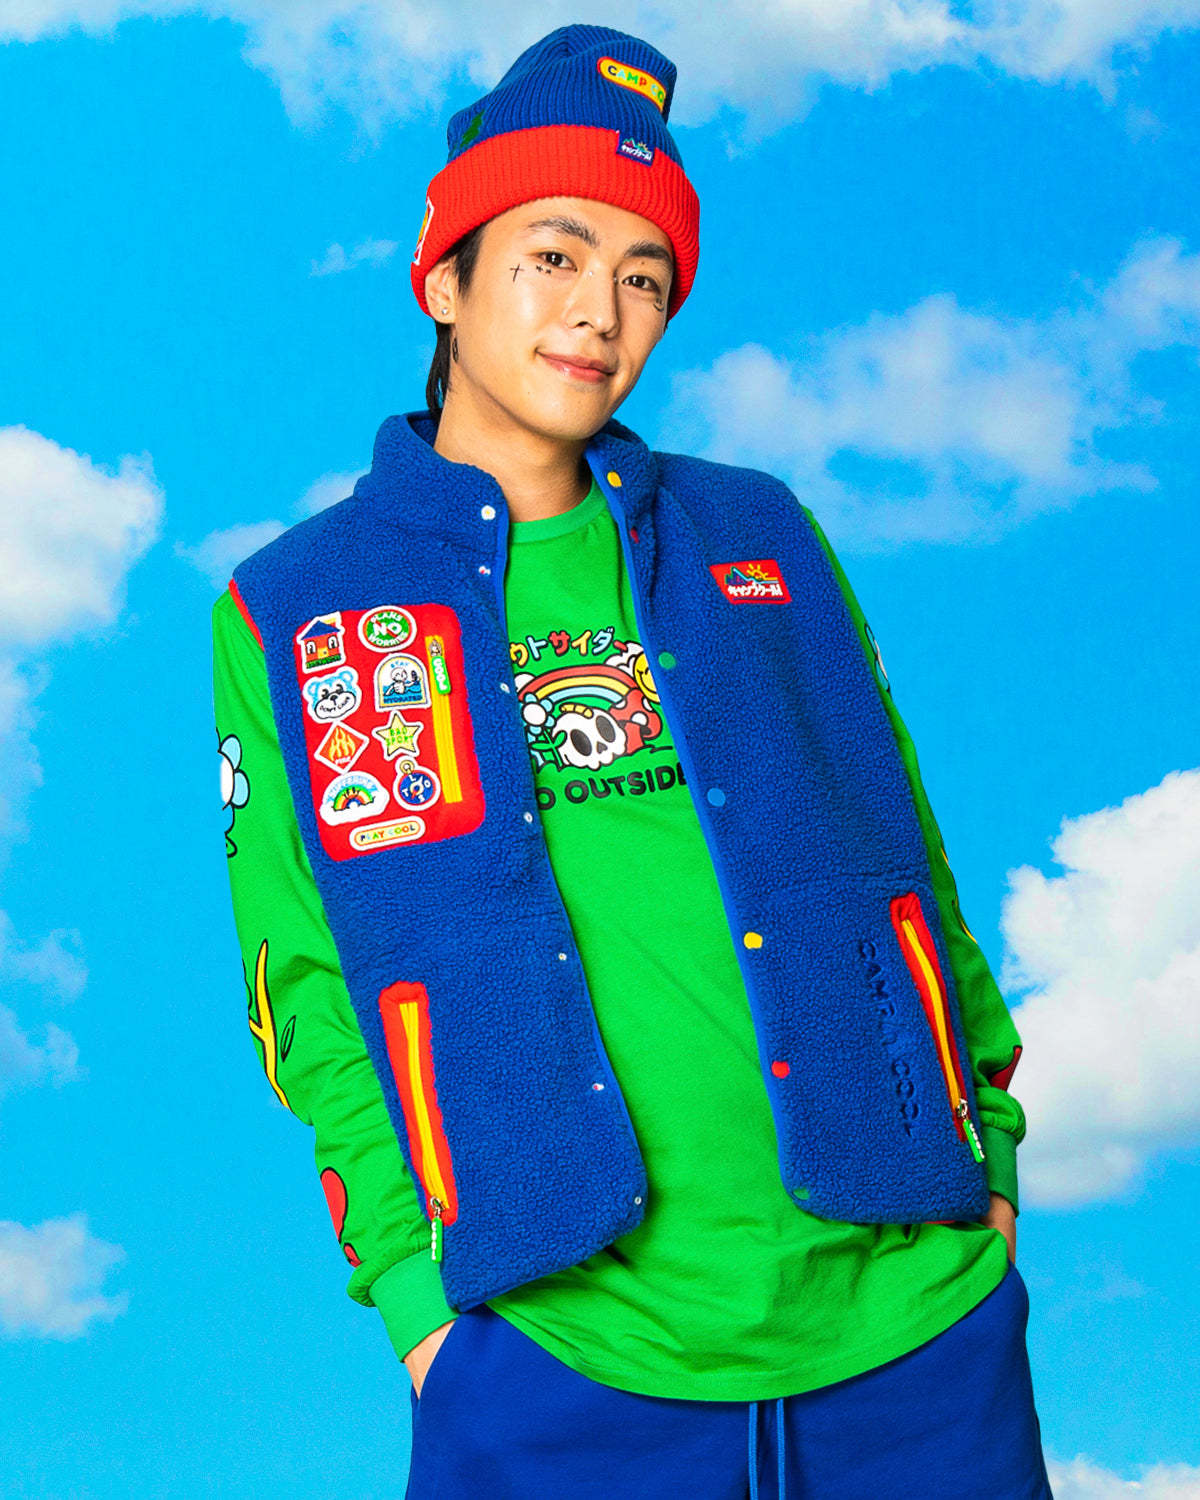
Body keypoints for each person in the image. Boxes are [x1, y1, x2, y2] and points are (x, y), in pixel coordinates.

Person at [212, 23, 1053, 1499]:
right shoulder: (303, 605)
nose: (598, 311)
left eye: (645, 276)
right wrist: (419, 1309)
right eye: (552, 255)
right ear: (444, 278)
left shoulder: (761, 532)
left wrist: (989, 1172)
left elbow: (906, 848)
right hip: (551, 1363)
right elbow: (307, 992)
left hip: (915, 1328)